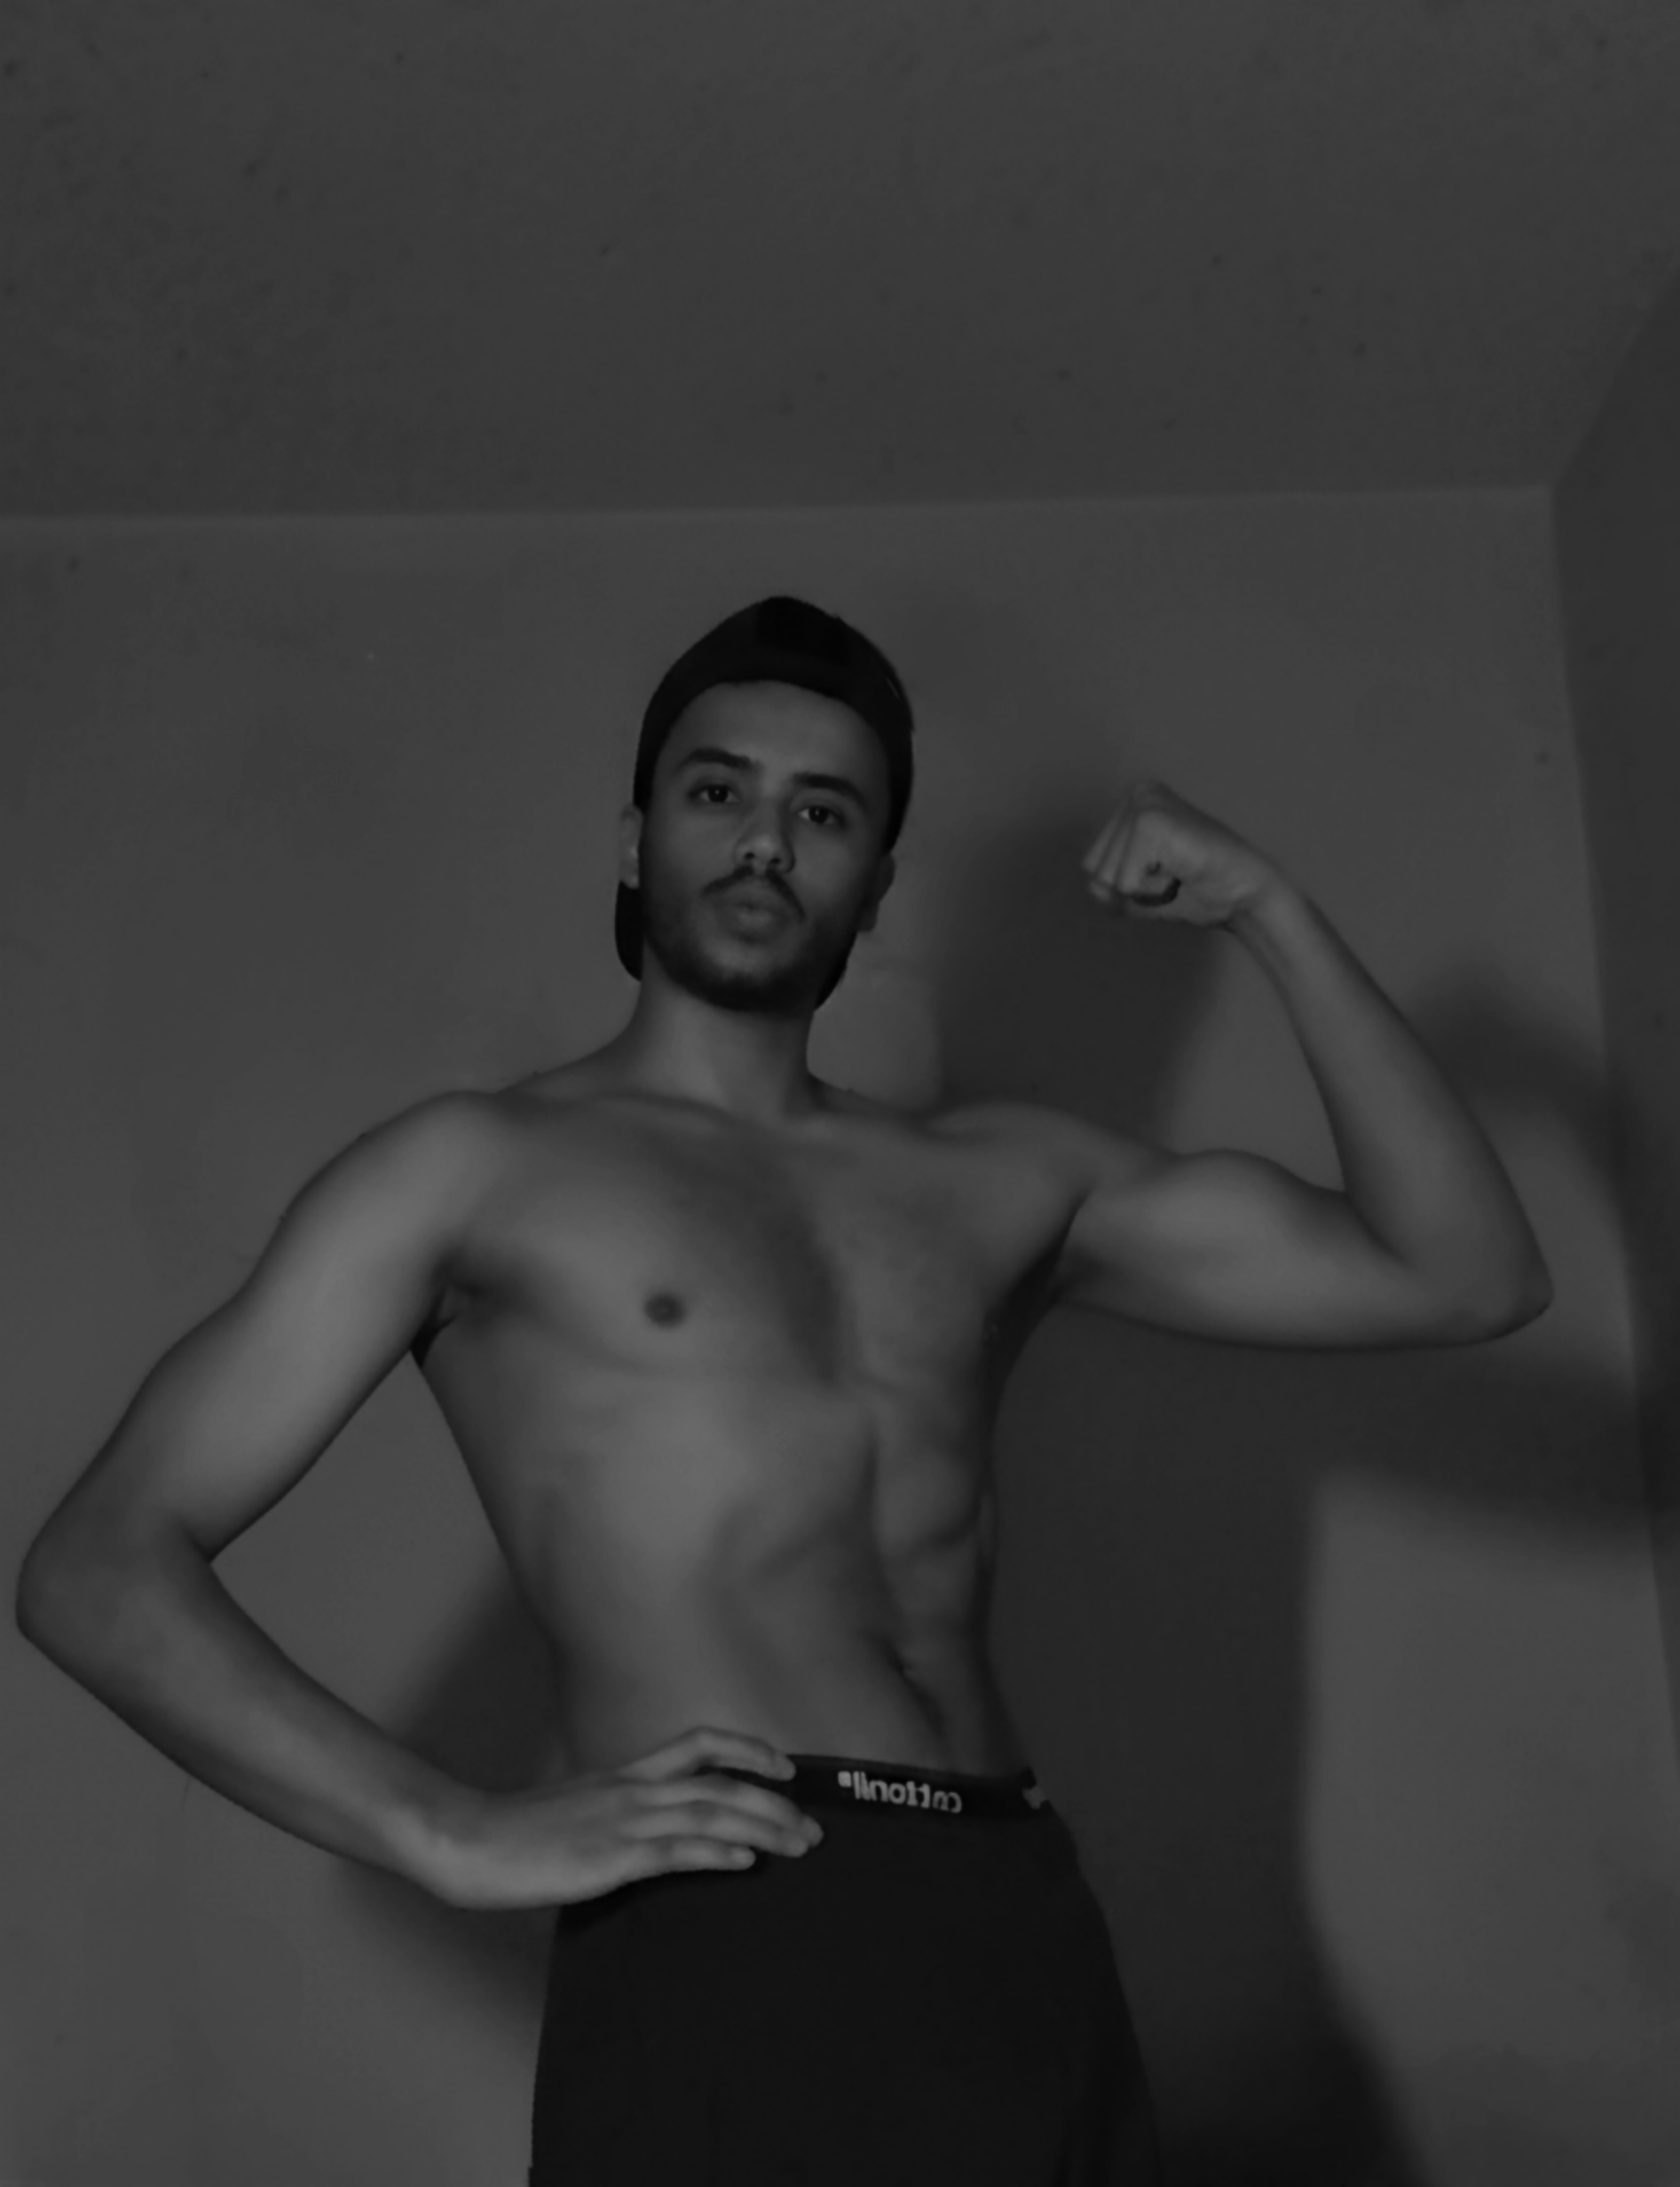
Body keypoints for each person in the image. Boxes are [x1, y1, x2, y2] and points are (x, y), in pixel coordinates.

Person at [15, 594, 1552, 2184]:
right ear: (636, 842)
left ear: (874, 886)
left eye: (823, 813)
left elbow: (1463, 1275)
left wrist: (1272, 913)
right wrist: (444, 1826)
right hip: (734, 1918)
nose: (764, 841)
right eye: (717, 791)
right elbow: (96, 1566)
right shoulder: (472, 1170)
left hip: (1016, 1910)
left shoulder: (1000, 1181)